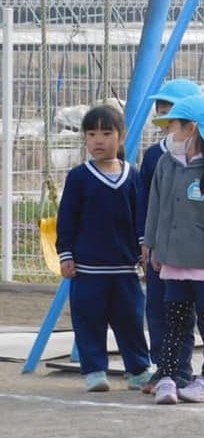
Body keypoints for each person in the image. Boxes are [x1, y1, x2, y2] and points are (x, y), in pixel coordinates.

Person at [139, 79, 204, 397]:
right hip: (174, 263)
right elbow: (156, 209)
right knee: (174, 324)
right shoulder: (167, 164)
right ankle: (169, 376)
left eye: (175, 126)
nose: (170, 134)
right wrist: (152, 245)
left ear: (192, 128)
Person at [56, 104, 152, 392]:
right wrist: (66, 254)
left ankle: (138, 369)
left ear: (122, 137)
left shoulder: (132, 175)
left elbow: (140, 219)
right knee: (89, 322)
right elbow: (67, 219)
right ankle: (95, 371)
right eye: (92, 134)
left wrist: (144, 251)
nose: (98, 140)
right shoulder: (79, 177)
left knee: (131, 321)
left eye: (106, 133)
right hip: (87, 270)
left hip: (124, 269)